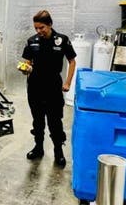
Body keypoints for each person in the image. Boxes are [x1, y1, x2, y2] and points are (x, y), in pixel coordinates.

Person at [20, 10, 76, 167]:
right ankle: (38, 148)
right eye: (36, 28)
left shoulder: (62, 40)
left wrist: (68, 83)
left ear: (50, 24)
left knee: (54, 121)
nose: (39, 31)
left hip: (53, 87)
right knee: (37, 121)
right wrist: (25, 68)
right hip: (35, 87)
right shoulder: (32, 41)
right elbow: (27, 62)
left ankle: (58, 151)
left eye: (42, 27)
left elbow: (72, 61)